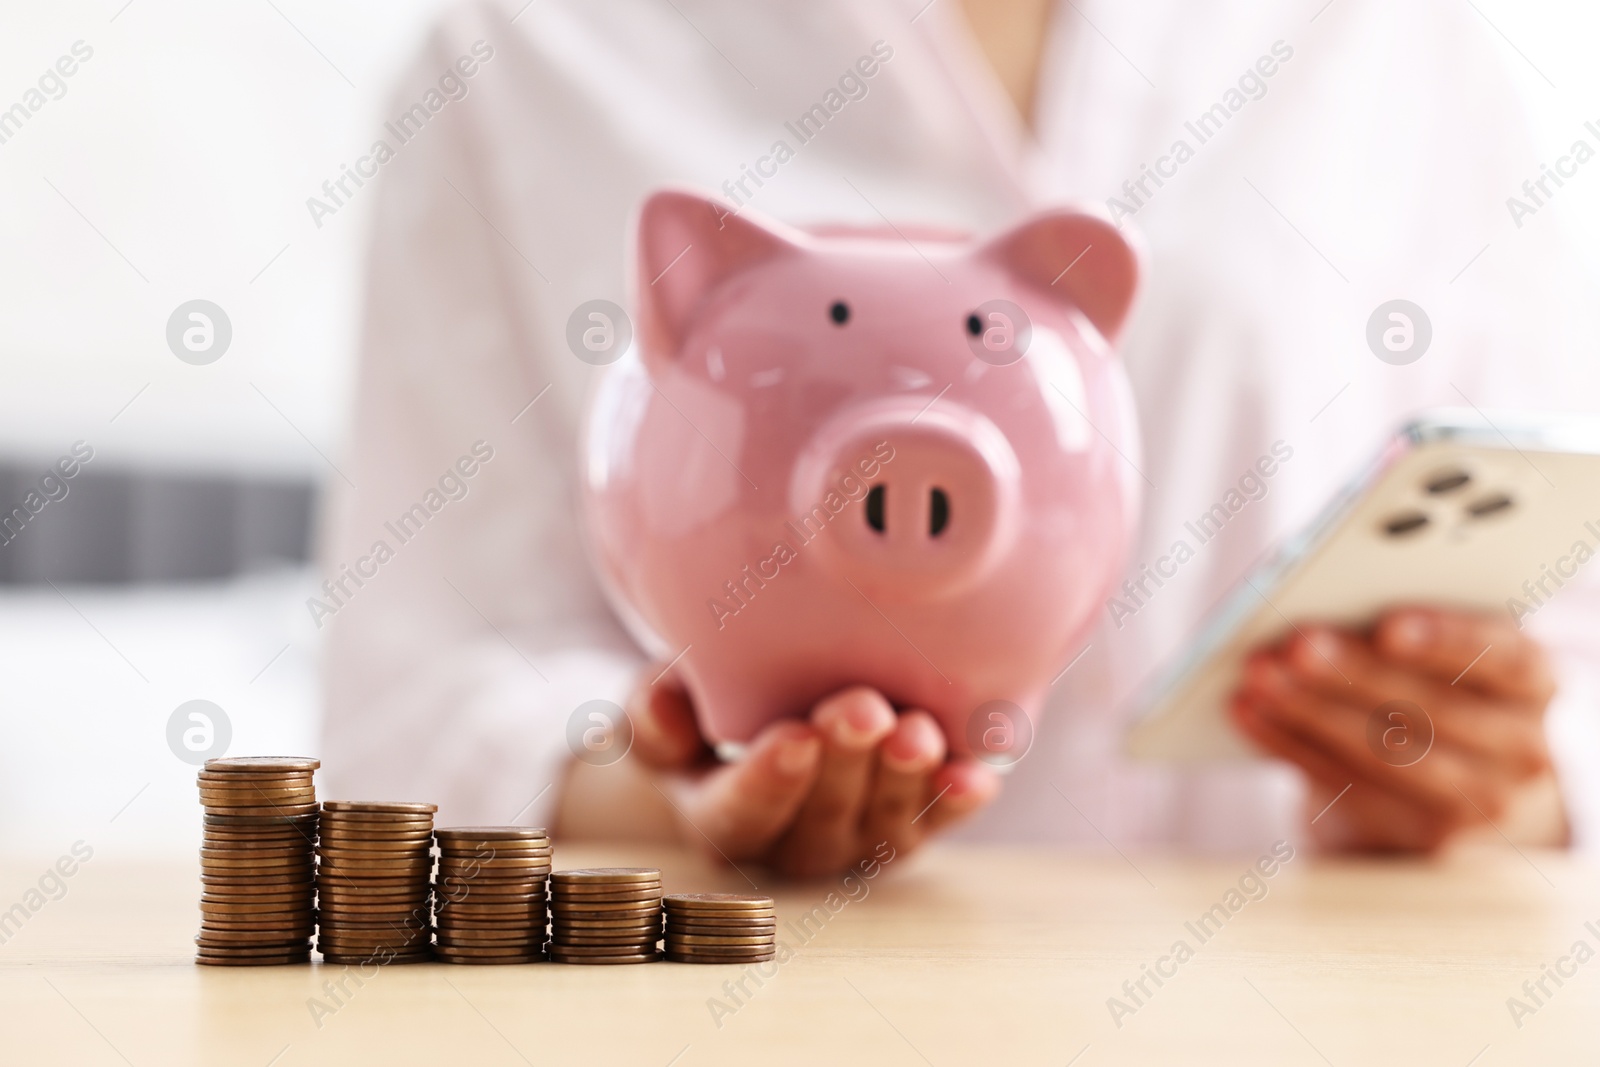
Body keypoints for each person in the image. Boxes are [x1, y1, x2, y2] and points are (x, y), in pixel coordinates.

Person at [320, 0, 1600, 875]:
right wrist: (679, 796)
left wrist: (1502, 783)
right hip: (772, 1019)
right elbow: (419, 695)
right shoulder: (532, 47)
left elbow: (1564, 622)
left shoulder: (1396, 36)